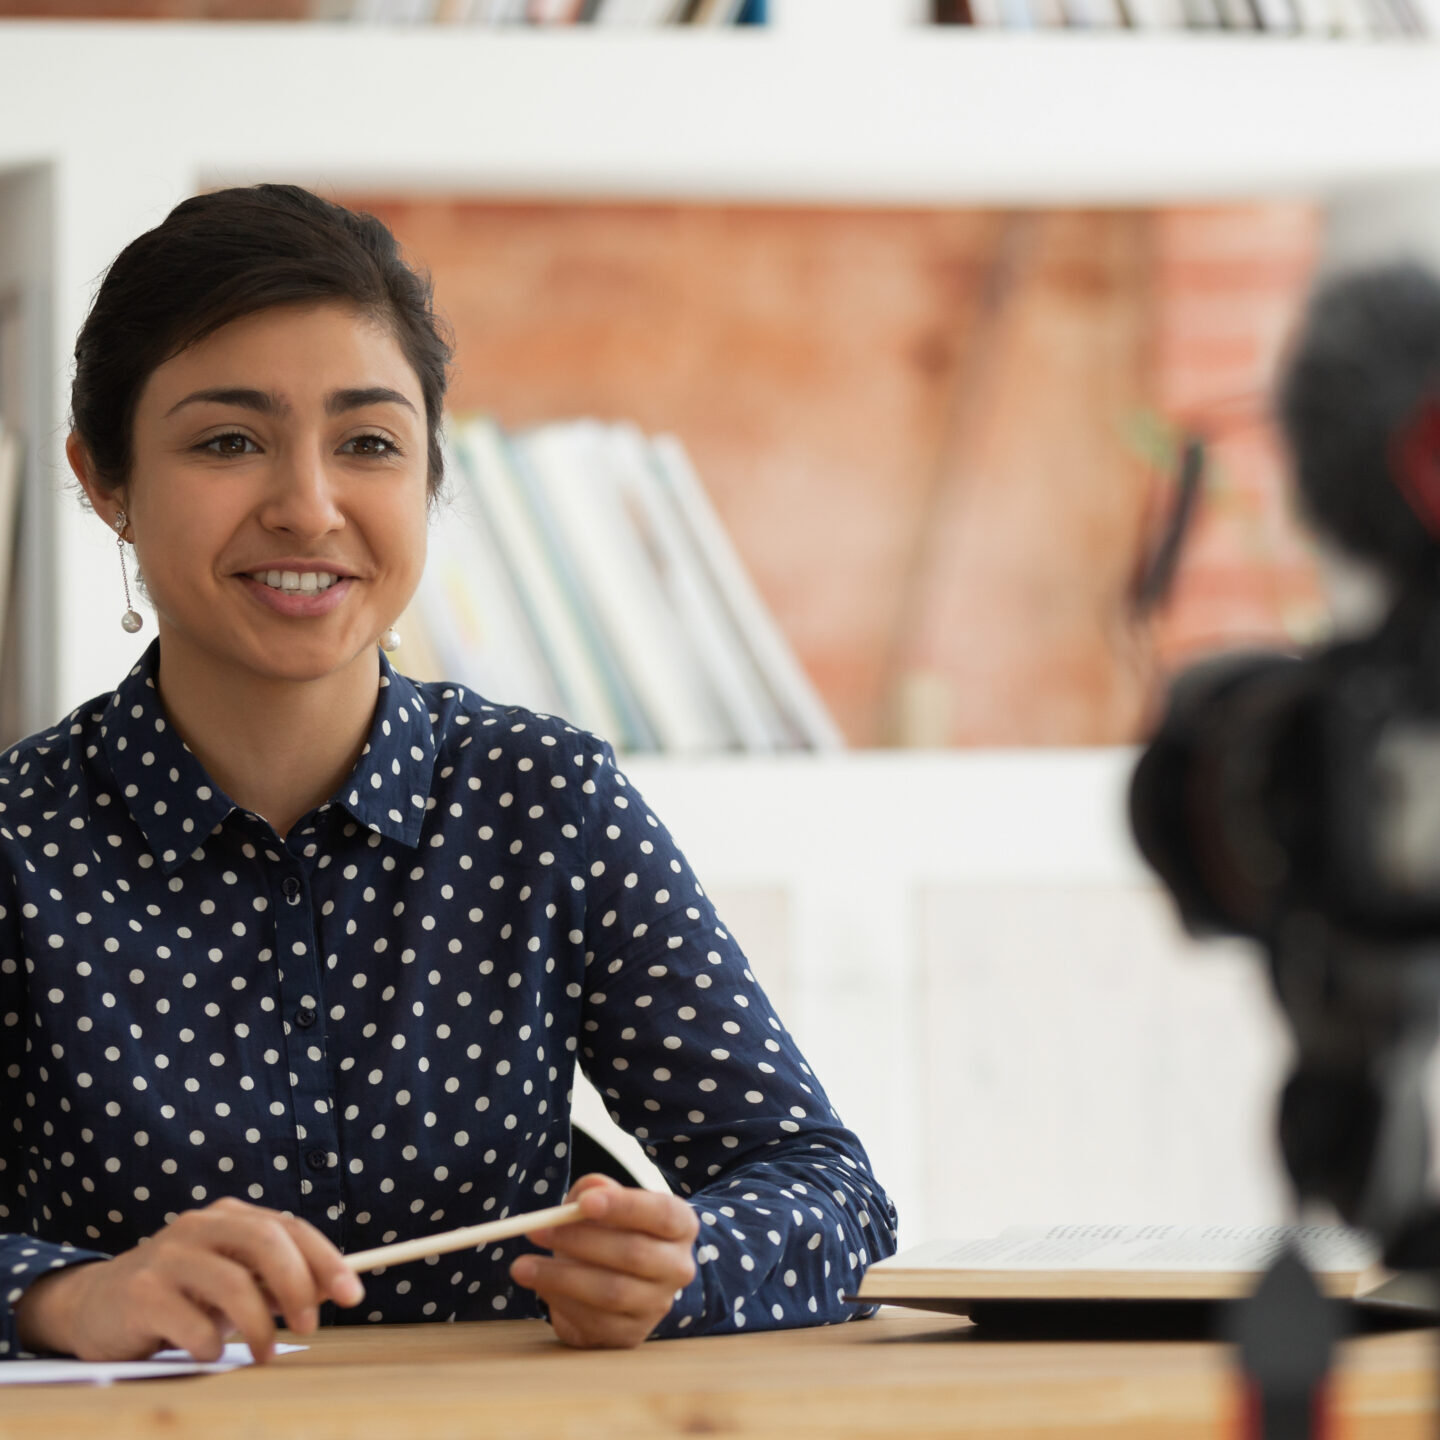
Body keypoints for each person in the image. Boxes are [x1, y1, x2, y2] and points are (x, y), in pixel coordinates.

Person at [0, 185, 896, 1363]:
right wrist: (67, 1298)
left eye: (368, 443)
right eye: (228, 441)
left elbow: (823, 1185)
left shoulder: (542, 800)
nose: (308, 507)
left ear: (430, 471)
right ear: (105, 478)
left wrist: (683, 1265)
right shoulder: (22, 841)